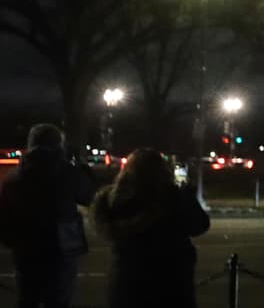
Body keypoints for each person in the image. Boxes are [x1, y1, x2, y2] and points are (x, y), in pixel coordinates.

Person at [91, 148, 210, 308]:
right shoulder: (173, 196)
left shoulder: (113, 197)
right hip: (172, 277)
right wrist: (188, 198)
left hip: (128, 278)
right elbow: (200, 225)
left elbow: (105, 228)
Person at [0, 124, 95, 308]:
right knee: (58, 298)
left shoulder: (13, 177)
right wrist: (80, 164)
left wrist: (11, 240)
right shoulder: (68, 172)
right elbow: (88, 196)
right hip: (62, 245)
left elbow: (4, 214)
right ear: (58, 145)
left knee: (28, 298)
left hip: (26, 246)